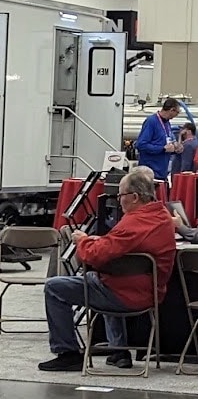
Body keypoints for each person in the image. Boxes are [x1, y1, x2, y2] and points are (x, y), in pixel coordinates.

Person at [38, 166, 177, 372]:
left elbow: (94, 255)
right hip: (150, 291)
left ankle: (67, 352)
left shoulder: (133, 223)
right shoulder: (162, 217)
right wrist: (99, 242)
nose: (118, 200)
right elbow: (117, 244)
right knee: (104, 278)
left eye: (120, 195)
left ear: (135, 197)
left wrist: (83, 241)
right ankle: (118, 350)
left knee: (55, 287)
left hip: (125, 294)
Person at [135, 98, 181, 180]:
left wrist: (175, 149)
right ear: (172, 110)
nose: (177, 115)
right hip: (150, 174)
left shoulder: (167, 123)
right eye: (177, 112)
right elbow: (141, 145)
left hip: (162, 172)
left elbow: (167, 144)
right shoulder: (151, 122)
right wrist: (162, 149)